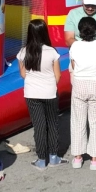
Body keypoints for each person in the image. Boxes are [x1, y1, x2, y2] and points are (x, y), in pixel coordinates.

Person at [16, 18, 62, 169]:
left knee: (39, 126)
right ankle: (54, 157)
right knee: (52, 123)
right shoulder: (52, 52)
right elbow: (58, 76)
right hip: (50, 92)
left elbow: (23, 75)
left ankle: (41, 159)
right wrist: (49, 84)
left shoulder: (23, 52)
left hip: (31, 93)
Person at [67, 15, 96, 169]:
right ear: (95, 30)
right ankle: (94, 160)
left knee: (78, 121)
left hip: (79, 84)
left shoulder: (75, 46)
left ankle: (78, 158)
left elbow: (73, 65)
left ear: (79, 31)